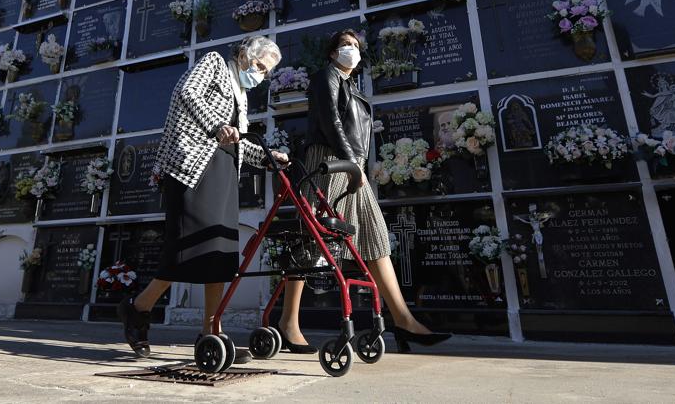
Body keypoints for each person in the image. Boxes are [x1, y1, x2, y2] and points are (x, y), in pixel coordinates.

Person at [277, 29, 451, 353]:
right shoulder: (324, 76)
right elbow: (331, 121)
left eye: (355, 46)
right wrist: (350, 162)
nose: (351, 50)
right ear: (332, 53)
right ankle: (288, 323)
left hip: (351, 164)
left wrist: (357, 164)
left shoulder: (353, 87)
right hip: (329, 160)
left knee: (376, 236)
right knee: (315, 240)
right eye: (345, 45)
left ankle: (403, 319)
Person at [118, 35, 288, 359]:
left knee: (221, 251)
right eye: (259, 67)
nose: (261, 75)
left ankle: (212, 334)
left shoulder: (242, 94)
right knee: (187, 248)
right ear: (244, 54)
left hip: (223, 173)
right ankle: (138, 308)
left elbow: (236, 140)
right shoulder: (214, 63)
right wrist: (217, 125)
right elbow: (186, 93)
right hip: (191, 168)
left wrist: (267, 156)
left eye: (266, 72)